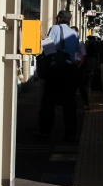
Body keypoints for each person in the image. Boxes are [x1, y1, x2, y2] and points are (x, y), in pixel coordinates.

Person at [35, 10, 80, 142]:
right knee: (69, 103)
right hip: (70, 70)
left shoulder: (54, 28)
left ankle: (45, 131)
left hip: (56, 71)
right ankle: (70, 133)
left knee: (48, 102)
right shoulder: (74, 33)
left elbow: (48, 48)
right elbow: (76, 51)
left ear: (58, 18)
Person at [72, 26, 89, 111]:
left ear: (77, 33)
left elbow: (84, 55)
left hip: (78, 65)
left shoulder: (80, 42)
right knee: (70, 86)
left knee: (81, 86)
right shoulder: (67, 42)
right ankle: (70, 103)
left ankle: (86, 103)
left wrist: (80, 65)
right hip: (70, 65)